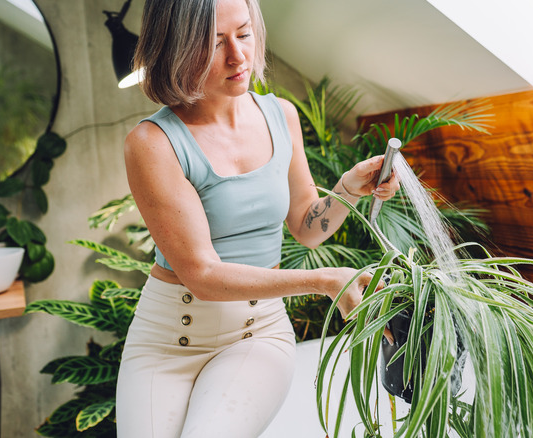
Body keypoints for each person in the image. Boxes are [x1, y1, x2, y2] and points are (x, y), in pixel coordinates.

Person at [115, 0, 400, 436]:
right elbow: (202, 274)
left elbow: (306, 227)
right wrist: (323, 281)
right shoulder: (152, 143)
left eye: (244, 34)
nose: (238, 56)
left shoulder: (280, 115)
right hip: (166, 344)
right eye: (213, 44)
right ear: (174, 48)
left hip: (256, 332)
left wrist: (347, 189)